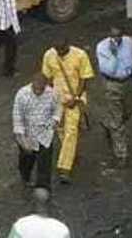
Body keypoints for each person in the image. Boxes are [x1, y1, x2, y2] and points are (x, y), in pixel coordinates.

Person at [41, 39, 94, 184]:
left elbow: (84, 79)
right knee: (59, 129)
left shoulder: (80, 55)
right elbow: (47, 77)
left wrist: (76, 98)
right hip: (56, 99)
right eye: (57, 51)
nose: (60, 54)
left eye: (62, 50)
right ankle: (70, 152)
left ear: (67, 46)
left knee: (71, 131)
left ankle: (64, 168)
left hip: (74, 100)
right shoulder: (49, 55)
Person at [12, 72, 61, 193]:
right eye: (36, 90)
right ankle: (25, 176)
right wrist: (22, 139)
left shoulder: (52, 94)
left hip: (45, 134)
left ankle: (43, 187)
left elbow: (58, 109)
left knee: (45, 162)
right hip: (28, 134)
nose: (38, 92)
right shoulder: (22, 95)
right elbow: (17, 117)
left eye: (41, 90)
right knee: (26, 159)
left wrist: (54, 121)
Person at [96, 25, 132, 168]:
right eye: (114, 36)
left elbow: (131, 59)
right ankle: (121, 154)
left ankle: (108, 124)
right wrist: (114, 55)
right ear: (109, 36)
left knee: (127, 113)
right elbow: (108, 70)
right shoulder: (102, 48)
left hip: (127, 83)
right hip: (112, 85)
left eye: (119, 36)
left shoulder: (128, 42)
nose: (117, 39)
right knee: (118, 122)